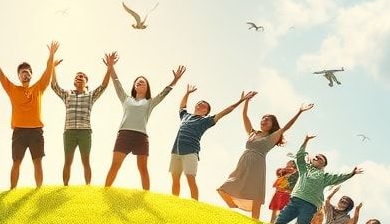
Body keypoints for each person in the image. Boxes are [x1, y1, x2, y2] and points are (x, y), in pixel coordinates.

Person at [217, 94, 314, 219]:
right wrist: (246, 101)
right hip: (243, 161)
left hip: (257, 164)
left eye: (268, 119)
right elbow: (245, 116)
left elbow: (286, 127)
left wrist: (299, 112)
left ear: (272, 124)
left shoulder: (272, 137)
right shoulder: (253, 133)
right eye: (263, 118)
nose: (264, 120)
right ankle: (233, 205)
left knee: (255, 191)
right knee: (224, 187)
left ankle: (255, 221)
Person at [103, 52, 185, 190]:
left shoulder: (150, 102)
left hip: (141, 137)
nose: (140, 82)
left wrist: (175, 80)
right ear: (134, 86)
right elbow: (116, 82)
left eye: (143, 81)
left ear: (147, 87)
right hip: (124, 135)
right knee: (115, 165)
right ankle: (105, 191)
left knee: (143, 168)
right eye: (138, 81)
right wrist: (111, 66)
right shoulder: (126, 98)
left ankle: (146, 196)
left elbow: (164, 93)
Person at [0, 41, 57, 189]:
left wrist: (51, 55)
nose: (25, 74)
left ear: (31, 74)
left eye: (27, 72)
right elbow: (1, 75)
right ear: (18, 76)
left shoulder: (38, 88)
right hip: (19, 131)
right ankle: (12, 190)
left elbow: (48, 71)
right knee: (16, 161)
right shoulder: (12, 89)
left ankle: (39, 190)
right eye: (22, 72)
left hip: (36, 130)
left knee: (37, 161)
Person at [274, 134, 362, 224]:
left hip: (310, 205)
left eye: (320, 158)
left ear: (323, 165)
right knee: (280, 220)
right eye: (316, 156)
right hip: (296, 199)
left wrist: (352, 173)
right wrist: (306, 140)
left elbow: (338, 177)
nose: (317, 158)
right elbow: (300, 156)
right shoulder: (304, 168)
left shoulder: (324, 176)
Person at [170, 86, 247, 200]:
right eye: (199, 103)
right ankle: (173, 202)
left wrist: (240, 101)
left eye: (204, 105)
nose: (200, 104)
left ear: (206, 112)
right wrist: (187, 93)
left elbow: (225, 112)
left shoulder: (205, 121)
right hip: (175, 151)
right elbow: (182, 106)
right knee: (175, 179)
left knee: (190, 178)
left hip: (190, 152)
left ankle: (195, 206)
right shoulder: (185, 116)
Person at [51, 59, 110, 185]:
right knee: (68, 161)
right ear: (74, 82)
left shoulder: (90, 95)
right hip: (69, 132)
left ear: (86, 82)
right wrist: (53, 67)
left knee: (85, 161)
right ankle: (65, 187)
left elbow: (104, 86)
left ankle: (88, 187)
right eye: (77, 77)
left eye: (82, 77)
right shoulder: (67, 94)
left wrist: (109, 67)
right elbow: (54, 86)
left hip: (85, 132)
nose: (79, 77)